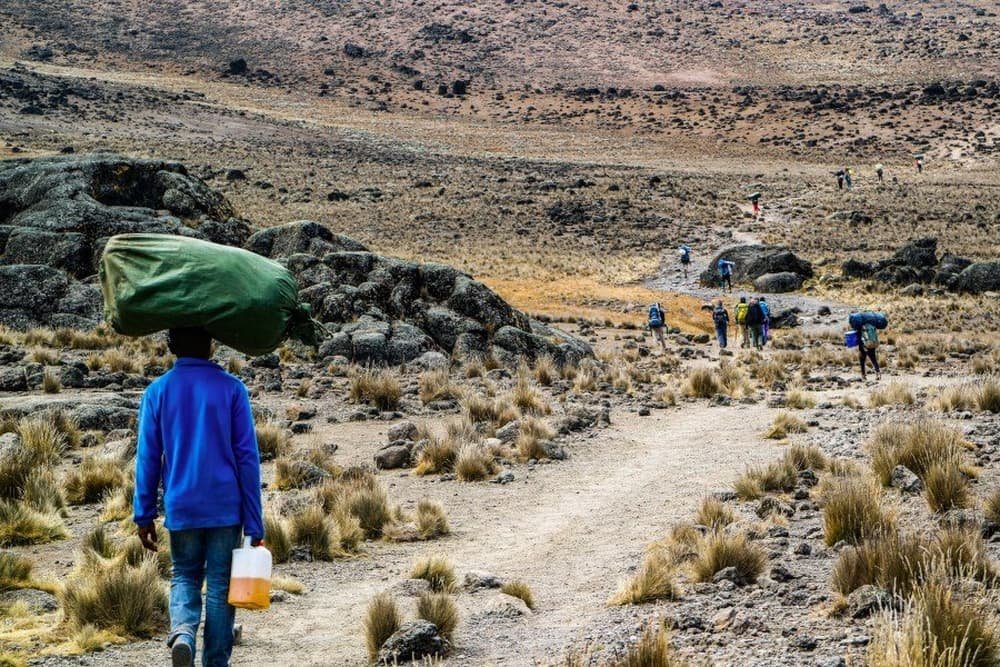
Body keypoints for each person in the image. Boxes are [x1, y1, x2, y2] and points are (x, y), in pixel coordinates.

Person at [134, 327, 264, 667]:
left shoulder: (156, 391)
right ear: (210, 345)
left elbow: (148, 457)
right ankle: (216, 662)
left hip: (182, 505)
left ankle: (183, 634)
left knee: (184, 575)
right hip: (225, 507)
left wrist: (143, 513)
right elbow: (247, 458)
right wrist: (254, 520)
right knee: (221, 586)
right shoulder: (233, 390)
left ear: (173, 347)